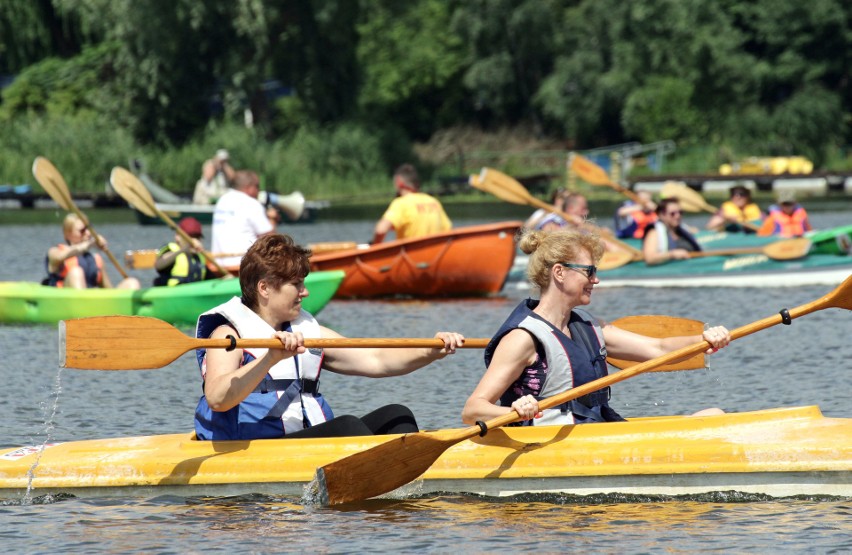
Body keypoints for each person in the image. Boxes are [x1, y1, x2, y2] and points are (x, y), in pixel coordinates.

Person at [193, 233, 466, 441]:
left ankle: (402, 502)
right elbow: (218, 398)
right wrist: (270, 359)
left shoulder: (309, 332)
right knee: (348, 428)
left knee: (398, 416)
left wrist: (433, 349)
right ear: (264, 288)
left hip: (303, 444)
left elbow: (377, 359)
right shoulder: (227, 335)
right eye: (296, 284)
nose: (305, 292)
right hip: (256, 447)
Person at [461, 227, 730, 427]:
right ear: (559, 272)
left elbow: (658, 349)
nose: (596, 280)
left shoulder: (590, 327)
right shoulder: (522, 338)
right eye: (589, 272)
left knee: (713, 416)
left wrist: (705, 339)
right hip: (548, 444)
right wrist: (514, 411)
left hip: (596, 430)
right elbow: (473, 410)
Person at [44, 213, 141, 290]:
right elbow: (59, 257)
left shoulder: (96, 260)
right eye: (82, 231)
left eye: (89, 228)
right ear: (68, 234)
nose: (88, 233)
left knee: (132, 282)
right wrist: (90, 244)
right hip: (65, 303)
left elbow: (109, 291)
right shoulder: (55, 252)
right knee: (76, 273)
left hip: (92, 306)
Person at [211, 170, 278, 268]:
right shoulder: (251, 203)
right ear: (249, 187)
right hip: (245, 267)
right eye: (257, 186)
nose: (259, 191)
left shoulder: (222, 200)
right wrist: (273, 219)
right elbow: (271, 239)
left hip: (218, 265)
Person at [371, 163, 452, 244]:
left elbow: (380, 230)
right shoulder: (433, 201)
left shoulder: (401, 203)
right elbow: (448, 229)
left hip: (410, 255)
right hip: (436, 253)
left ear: (398, 182)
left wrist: (375, 247)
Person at [153, 217, 219, 286]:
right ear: (177, 236)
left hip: (194, 294)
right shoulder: (171, 250)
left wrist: (224, 280)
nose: (194, 241)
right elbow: (159, 265)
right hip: (173, 294)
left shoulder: (199, 258)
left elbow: (212, 280)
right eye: (189, 237)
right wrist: (184, 249)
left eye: (197, 237)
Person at [642, 198, 702, 265]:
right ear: (661, 215)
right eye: (672, 213)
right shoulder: (654, 233)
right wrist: (672, 254)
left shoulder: (683, 229)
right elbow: (650, 259)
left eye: (680, 212)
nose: (678, 216)